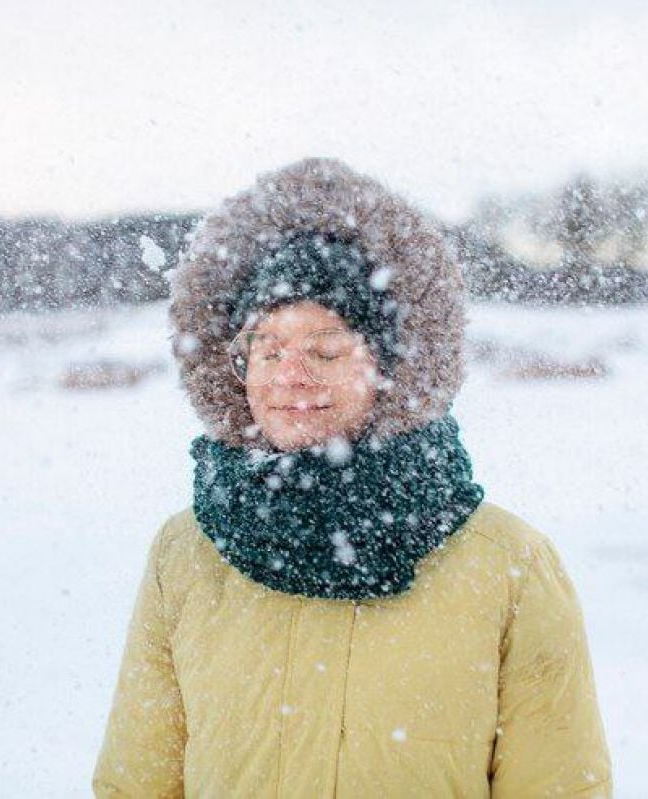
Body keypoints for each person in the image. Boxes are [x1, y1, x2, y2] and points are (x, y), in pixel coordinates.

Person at [92, 157, 613, 797]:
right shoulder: (186, 554)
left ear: (390, 368)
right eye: (267, 347)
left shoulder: (510, 568)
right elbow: (135, 785)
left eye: (326, 350)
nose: (290, 376)